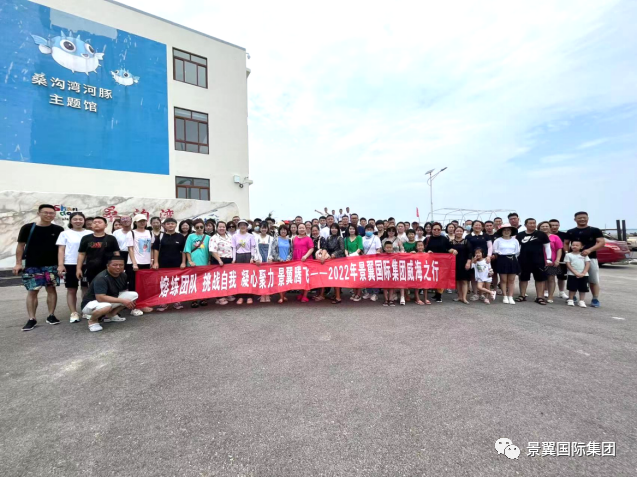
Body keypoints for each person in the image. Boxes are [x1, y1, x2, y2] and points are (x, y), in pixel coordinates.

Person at [14, 204, 65, 331]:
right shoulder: (27, 228)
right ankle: (32, 318)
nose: (49, 215)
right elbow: (21, 246)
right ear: (39, 213)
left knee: (51, 290)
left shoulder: (58, 229)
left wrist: (60, 264)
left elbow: (61, 248)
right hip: (32, 265)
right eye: (45, 212)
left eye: (51, 213)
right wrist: (18, 263)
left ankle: (51, 315)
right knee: (32, 291)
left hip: (51, 265)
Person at [81, 256, 138, 332]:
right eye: (115, 265)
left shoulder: (123, 275)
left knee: (133, 295)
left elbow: (124, 291)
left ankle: (110, 315)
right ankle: (92, 321)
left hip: (108, 300)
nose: (118, 267)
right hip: (91, 303)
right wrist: (123, 301)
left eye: (121, 265)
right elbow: (100, 298)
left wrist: (127, 301)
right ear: (107, 265)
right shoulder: (101, 278)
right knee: (106, 306)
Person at [56, 212, 92, 323]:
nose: (78, 221)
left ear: (84, 220)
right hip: (70, 264)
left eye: (80, 219)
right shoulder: (65, 233)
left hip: (87, 264)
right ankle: (73, 312)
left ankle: (85, 310)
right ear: (71, 221)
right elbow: (61, 250)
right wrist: (61, 264)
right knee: (72, 289)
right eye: (75, 219)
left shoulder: (90, 233)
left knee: (86, 288)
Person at [563, 212, 604, 308]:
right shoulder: (570, 231)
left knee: (593, 280)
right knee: (573, 278)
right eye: (579, 218)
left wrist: (589, 250)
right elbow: (566, 243)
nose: (582, 219)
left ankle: (595, 298)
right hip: (574, 259)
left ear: (588, 218)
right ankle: (572, 297)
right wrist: (566, 253)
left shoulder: (595, 230)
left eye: (584, 218)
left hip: (591, 258)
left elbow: (601, 242)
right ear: (575, 219)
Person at [152, 218, 187, 311]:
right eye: (168, 224)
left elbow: (184, 251)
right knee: (164, 283)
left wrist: (183, 262)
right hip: (163, 263)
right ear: (164, 225)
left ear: (176, 225)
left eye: (172, 223)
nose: (170, 225)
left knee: (176, 282)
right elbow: (156, 250)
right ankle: (164, 302)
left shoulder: (180, 237)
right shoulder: (160, 236)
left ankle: (177, 301)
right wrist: (155, 262)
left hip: (177, 263)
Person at [515, 218, 551, 304]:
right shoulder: (520, 235)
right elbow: (517, 248)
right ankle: (522, 295)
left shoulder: (541, 234)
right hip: (523, 260)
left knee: (540, 279)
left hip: (539, 260)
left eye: (534, 223)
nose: (532, 225)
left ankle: (539, 297)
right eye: (530, 223)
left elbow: (547, 247)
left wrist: (549, 259)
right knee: (523, 279)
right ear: (525, 225)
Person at [77, 216, 120, 285]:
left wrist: (118, 267)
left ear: (105, 225)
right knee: (93, 288)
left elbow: (116, 253)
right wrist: (78, 269)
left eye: (99, 222)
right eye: (94, 222)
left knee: (108, 288)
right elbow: (82, 254)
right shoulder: (85, 238)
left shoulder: (111, 238)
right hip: (91, 268)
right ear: (91, 225)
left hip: (108, 269)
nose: (96, 224)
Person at [126, 214, 153, 314]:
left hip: (146, 262)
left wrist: (152, 260)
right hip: (135, 263)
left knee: (144, 285)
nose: (142, 223)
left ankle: (143, 304)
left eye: (144, 221)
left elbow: (151, 247)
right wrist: (134, 263)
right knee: (133, 285)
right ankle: (134, 307)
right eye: (140, 221)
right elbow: (130, 248)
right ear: (135, 222)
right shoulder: (131, 233)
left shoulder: (149, 232)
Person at [424, 222, 457, 303]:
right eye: (434, 229)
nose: (436, 231)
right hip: (430, 262)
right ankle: (435, 294)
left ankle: (439, 295)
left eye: (438, 229)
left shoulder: (444, 239)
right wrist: (428, 251)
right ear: (431, 230)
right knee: (433, 278)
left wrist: (453, 250)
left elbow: (449, 248)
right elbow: (423, 249)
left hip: (442, 262)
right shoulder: (427, 239)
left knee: (440, 278)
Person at [185, 218, 211, 308]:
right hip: (193, 263)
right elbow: (187, 249)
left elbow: (210, 250)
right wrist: (189, 261)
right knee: (193, 282)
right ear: (194, 228)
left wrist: (209, 261)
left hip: (204, 263)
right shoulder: (190, 236)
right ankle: (194, 299)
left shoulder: (208, 237)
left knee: (203, 281)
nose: (199, 228)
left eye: (201, 227)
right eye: (197, 227)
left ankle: (203, 298)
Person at [492, 223, 520, 305]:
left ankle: (510, 296)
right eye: (504, 230)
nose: (506, 232)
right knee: (503, 280)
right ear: (501, 231)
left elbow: (517, 251)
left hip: (512, 259)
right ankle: (505, 296)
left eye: (508, 230)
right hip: (502, 259)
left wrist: (512, 257)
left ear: (511, 231)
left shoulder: (515, 240)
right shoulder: (498, 240)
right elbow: (495, 250)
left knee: (511, 280)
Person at [232, 219, 258, 305]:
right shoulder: (235, 236)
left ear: (247, 226)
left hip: (248, 256)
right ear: (238, 226)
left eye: (244, 225)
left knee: (248, 276)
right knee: (240, 277)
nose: (243, 226)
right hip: (239, 256)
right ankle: (240, 296)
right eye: (241, 225)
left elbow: (252, 248)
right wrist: (234, 258)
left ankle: (249, 296)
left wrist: (252, 257)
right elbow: (234, 248)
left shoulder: (250, 236)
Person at [466, 220, 493, 301]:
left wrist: (488, 256)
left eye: (479, 225)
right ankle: (475, 293)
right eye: (475, 225)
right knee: (474, 276)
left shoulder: (486, 235)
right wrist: (470, 259)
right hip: (473, 259)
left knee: (484, 276)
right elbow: (468, 249)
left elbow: (490, 247)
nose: (477, 226)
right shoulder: (468, 236)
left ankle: (482, 294)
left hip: (484, 259)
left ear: (482, 226)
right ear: (472, 226)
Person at [210, 221, 235, 305]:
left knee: (227, 278)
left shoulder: (229, 237)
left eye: (223, 227)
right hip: (219, 261)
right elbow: (213, 251)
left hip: (229, 260)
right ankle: (219, 297)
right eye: (220, 227)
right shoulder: (214, 238)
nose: (222, 228)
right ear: (216, 228)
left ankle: (227, 294)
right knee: (219, 279)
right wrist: (219, 260)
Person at [538, 221, 563, 304]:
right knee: (540, 279)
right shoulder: (537, 237)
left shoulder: (555, 237)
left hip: (551, 261)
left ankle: (550, 296)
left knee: (551, 279)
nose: (545, 228)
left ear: (549, 227)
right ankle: (540, 295)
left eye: (546, 226)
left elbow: (559, 249)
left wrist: (557, 259)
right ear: (539, 228)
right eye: (543, 226)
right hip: (539, 261)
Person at [269, 224, 294, 304]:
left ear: (287, 231)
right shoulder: (276, 239)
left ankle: (284, 295)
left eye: (285, 230)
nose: (283, 231)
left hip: (287, 262)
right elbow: (273, 251)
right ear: (279, 231)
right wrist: (279, 259)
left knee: (286, 279)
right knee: (280, 279)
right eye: (282, 230)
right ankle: (281, 297)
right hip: (278, 262)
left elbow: (291, 251)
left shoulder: (289, 240)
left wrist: (288, 258)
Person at [564, 240, 591, 308]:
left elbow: (587, 264)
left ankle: (581, 301)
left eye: (577, 245)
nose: (574, 246)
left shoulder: (584, 255)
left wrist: (584, 273)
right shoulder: (568, 255)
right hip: (572, 274)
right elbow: (568, 264)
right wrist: (575, 272)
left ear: (581, 247)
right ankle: (571, 299)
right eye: (573, 245)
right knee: (572, 288)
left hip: (583, 275)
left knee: (583, 288)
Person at [292, 223, 314, 303]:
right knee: (299, 277)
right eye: (300, 228)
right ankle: (301, 293)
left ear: (306, 229)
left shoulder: (308, 239)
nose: (301, 229)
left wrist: (305, 256)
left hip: (305, 259)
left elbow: (311, 248)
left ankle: (305, 296)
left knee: (306, 278)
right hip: (296, 259)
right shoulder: (294, 238)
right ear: (297, 229)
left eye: (303, 228)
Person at [450, 225, 472, 304]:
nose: (459, 232)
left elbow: (470, 253)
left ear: (463, 232)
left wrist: (468, 262)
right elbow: (447, 251)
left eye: (460, 231)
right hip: (455, 263)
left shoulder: (466, 241)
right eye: (457, 231)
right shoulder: (451, 242)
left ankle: (464, 297)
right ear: (454, 232)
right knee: (458, 281)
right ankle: (459, 296)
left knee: (464, 281)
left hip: (464, 263)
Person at [549, 218, 570, 299]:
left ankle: (561, 292)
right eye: (552, 225)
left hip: (562, 258)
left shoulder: (564, 235)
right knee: (550, 276)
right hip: (549, 258)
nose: (554, 227)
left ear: (559, 225)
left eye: (556, 225)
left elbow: (567, 245)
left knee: (561, 276)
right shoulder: (545, 235)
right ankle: (547, 291)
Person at [361, 224, 382, 302]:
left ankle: (375, 293)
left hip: (374, 261)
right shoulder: (362, 238)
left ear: (373, 230)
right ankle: (369, 292)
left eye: (370, 229)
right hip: (365, 260)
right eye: (367, 229)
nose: (369, 231)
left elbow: (378, 249)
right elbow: (361, 249)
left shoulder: (376, 238)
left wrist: (376, 254)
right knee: (367, 276)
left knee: (374, 277)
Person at [256, 224, 274, 303]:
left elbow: (273, 249)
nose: (264, 229)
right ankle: (262, 294)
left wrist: (271, 258)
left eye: (265, 228)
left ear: (267, 229)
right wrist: (256, 259)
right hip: (259, 261)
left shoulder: (271, 238)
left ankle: (268, 294)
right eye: (262, 228)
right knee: (261, 277)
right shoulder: (256, 237)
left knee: (268, 277)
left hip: (268, 260)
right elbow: (254, 249)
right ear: (260, 228)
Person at [381, 241, 398, 306]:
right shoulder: (381, 255)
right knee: (385, 287)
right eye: (387, 247)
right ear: (384, 248)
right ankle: (386, 300)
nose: (389, 249)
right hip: (384, 273)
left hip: (392, 273)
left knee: (391, 287)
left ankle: (390, 299)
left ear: (392, 248)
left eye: (390, 247)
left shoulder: (395, 255)